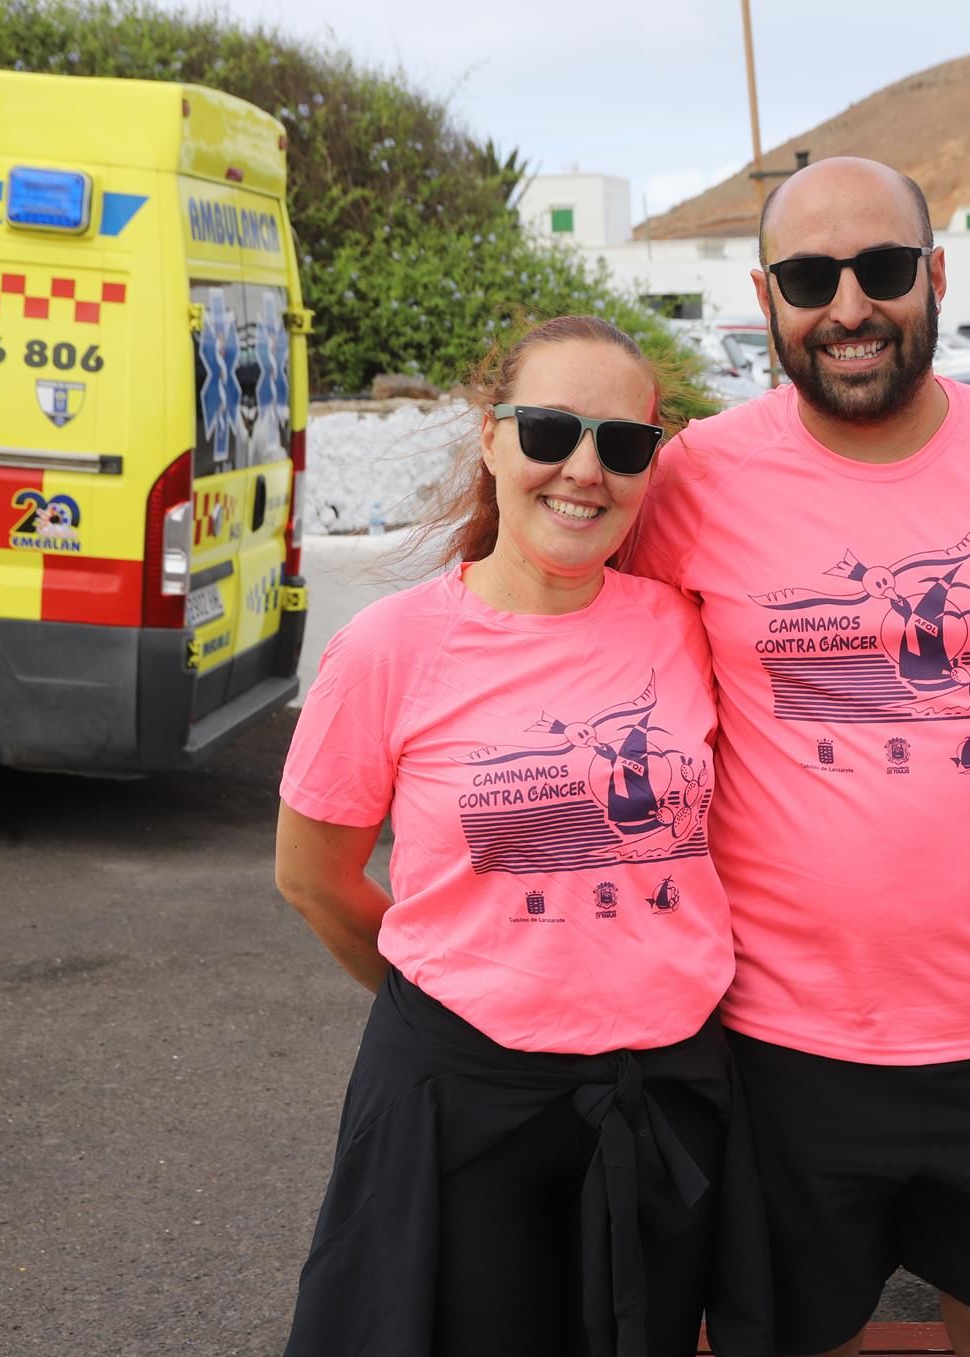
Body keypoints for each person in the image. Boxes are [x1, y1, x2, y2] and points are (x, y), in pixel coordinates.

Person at [625, 156, 970, 1357]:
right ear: (765, 296)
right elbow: (596, 669)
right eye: (808, 278)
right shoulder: (695, 480)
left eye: (882, 268)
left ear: (935, 275)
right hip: (777, 1043)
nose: (848, 307)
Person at [274, 315, 767, 1357]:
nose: (584, 469)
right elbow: (314, 876)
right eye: (549, 430)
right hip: (463, 1105)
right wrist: (453, 996)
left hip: (665, 1093)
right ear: (491, 436)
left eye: (621, 444)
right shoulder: (389, 647)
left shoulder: (686, 627)